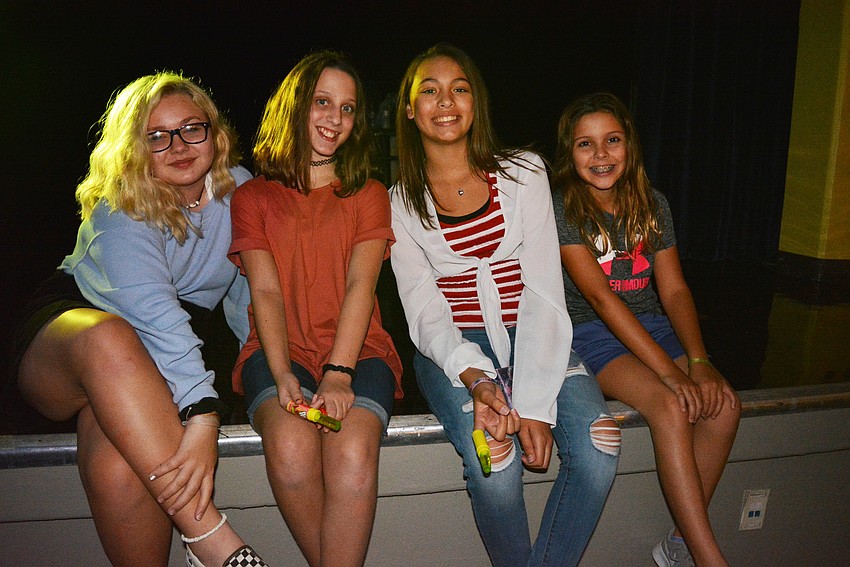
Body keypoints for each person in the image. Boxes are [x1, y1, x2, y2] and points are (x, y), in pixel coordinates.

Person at [12, 73, 267, 567]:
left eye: (191, 128)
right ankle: (212, 540)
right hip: (72, 336)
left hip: (157, 358)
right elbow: (154, 315)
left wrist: (266, 378)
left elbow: (249, 298)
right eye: (157, 136)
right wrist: (203, 413)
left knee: (118, 461)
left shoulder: (240, 191)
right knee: (108, 336)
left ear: (214, 132)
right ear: (134, 148)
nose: (178, 146)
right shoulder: (120, 208)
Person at [389, 43, 620, 567]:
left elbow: (543, 290)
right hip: (454, 351)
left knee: (599, 446)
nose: (445, 101)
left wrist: (533, 404)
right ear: (409, 108)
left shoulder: (524, 173)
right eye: (430, 90)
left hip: (535, 333)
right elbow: (423, 309)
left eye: (459, 89)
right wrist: (477, 378)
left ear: (476, 102)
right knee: (496, 465)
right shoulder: (398, 202)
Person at [228, 51, 402, 567]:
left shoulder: (369, 193)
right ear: (295, 106)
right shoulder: (252, 197)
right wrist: (282, 372)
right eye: (322, 102)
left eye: (347, 108)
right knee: (290, 449)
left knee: (350, 452)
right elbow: (265, 292)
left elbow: (361, 286)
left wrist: (339, 373)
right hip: (278, 350)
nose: (335, 118)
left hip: (359, 352)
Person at [552, 92, 741, 567]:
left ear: (630, 145)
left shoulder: (653, 204)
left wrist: (698, 361)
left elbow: (674, 291)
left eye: (612, 140)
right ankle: (709, 558)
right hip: (592, 332)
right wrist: (670, 374)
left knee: (724, 407)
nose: (601, 154)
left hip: (651, 325)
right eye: (585, 144)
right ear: (570, 153)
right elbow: (601, 299)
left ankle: (677, 546)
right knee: (670, 404)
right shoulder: (564, 209)